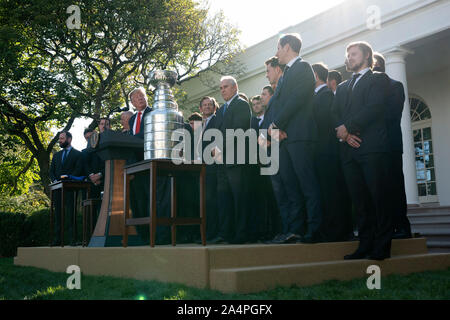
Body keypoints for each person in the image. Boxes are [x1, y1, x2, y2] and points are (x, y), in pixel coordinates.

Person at [332, 41, 392, 260]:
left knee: (378, 198)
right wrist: (345, 134)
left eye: (354, 54)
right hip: (348, 152)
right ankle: (365, 245)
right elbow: (334, 114)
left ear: (367, 56)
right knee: (359, 202)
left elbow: (374, 108)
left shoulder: (378, 79)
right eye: (347, 54)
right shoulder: (343, 87)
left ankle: (382, 247)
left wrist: (349, 127)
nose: (349, 58)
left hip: (373, 149)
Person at [268, 33, 323, 244]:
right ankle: (295, 230)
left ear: (288, 46)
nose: (276, 53)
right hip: (286, 138)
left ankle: (314, 230)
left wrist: (276, 124)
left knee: (308, 186)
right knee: (292, 187)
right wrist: (277, 129)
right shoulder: (286, 74)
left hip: (301, 136)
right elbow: (279, 104)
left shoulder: (303, 68)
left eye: (278, 48)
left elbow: (296, 100)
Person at [312, 63, 353, 242]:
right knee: (324, 192)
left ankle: (339, 231)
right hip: (319, 152)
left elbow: (323, 121)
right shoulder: (315, 96)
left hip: (327, 151)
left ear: (316, 76)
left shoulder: (326, 95)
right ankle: (330, 229)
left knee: (333, 192)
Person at [373, 52, 412, 239]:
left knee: (395, 186)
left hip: (390, 145)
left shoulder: (395, 86)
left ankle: (402, 227)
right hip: (371, 148)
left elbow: (392, 115)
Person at [209, 76, 252, 244]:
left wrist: (219, 147)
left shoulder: (241, 104)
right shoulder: (220, 110)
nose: (222, 90)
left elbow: (239, 130)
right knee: (224, 199)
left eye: (225, 86)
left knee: (239, 198)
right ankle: (225, 233)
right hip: (222, 161)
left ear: (235, 87)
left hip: (237, 159)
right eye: (220, 88)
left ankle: (242, 234)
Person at [127, 87, 171, 245]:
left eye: (142, 95)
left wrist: (128, 140)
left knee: (154, 201)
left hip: (152, 162)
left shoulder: (154, 113)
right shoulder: (132, 119)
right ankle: (143, 236)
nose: (140, 98)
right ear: (132, 102)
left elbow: (146, 134)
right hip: (135, 166)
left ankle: (160, 236)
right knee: (139, 201)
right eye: (136, 97)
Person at [49, 131, 83, 246]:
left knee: (71, 214)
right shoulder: (56, 155)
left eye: (62, 138)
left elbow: (78, 170)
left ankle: (73, 239)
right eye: (60, 138)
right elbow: (51, 172)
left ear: (69, 139)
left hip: (71, 189)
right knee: (58, 215)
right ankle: (57, 239)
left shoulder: (78, 154)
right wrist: (55, 181)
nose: (60, 141)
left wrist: (69, 179)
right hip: (57, 189)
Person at [197, 96, 219, 241]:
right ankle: (205, 233)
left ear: (214, 107)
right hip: (200, 167)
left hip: (214, 166)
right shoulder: (200, 125)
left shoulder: (218, 120)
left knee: (212, 201)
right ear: (200, 108)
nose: (207, 107)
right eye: (204, 105)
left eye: (210, 104)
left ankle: (214, 233)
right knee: (204, 201)